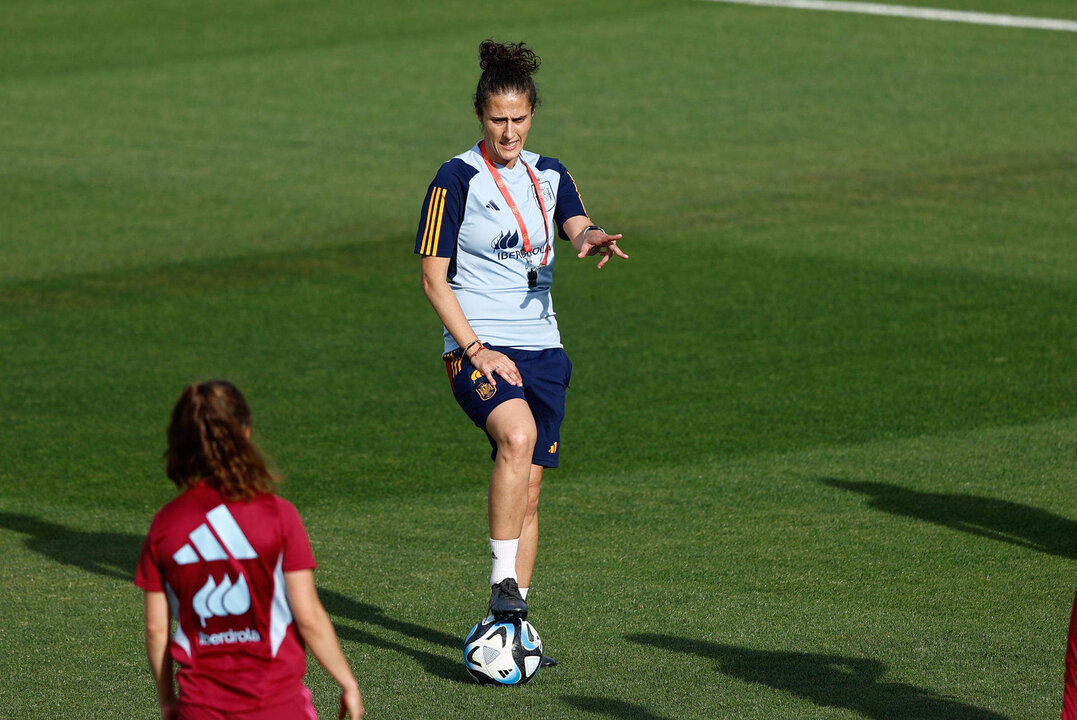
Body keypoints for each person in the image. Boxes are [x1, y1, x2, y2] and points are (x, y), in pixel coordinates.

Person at [415, 40, 629, 644]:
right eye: (497, 120)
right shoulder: (454, 178)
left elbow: (576, 224)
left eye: (519, 119)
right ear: (480, 116)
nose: (508, 132)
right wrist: (476, 349)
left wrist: (591, 238)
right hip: (478, 347)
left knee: (530, 490)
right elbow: (433, 279)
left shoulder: (550, 172)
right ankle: (502, 582)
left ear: (532, 113)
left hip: (544, 348)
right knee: (517, 434)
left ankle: (510, 625)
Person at [135, 381, 364, 720]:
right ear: (245, 432)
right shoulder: (279, 515)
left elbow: (156, 629)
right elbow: (309, 616)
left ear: (182, 442)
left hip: (200, 707)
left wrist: (168, 699)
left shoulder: (165, 524)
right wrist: (347, 682)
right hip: (276, 705)